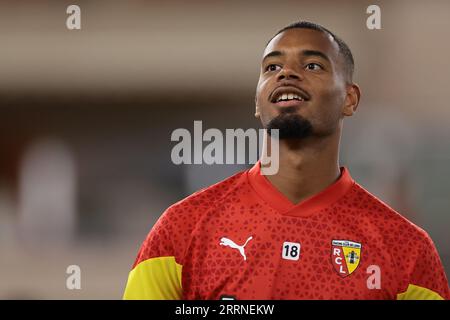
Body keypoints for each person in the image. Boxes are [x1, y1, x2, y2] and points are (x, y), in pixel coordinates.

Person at [123, 21, 449, 300]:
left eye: (312, 65)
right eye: (272, 67)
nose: (287, 74)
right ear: (257, 100)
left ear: (350, 99)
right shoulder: (181, 230)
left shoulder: (406, 249)